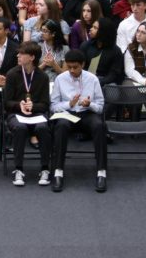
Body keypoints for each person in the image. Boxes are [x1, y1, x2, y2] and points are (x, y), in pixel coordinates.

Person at [48, 49, 107, 192]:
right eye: (69, 67)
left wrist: (89, 104)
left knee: (100, 126)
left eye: (75, 67)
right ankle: (58, 171)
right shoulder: (60, 79)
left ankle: (101, 172)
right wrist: (69, 104)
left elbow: (100, 106)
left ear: (83, 65)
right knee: (61, 127)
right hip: (68, 113)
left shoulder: (92, 79)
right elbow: (53, 106)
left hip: (87, 113)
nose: (72, 70)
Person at [3, 43, 51, 187]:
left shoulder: (43, 77)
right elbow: (7, 103)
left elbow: (45, 104)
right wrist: (20, 105)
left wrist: (33, 106)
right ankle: (18, 169)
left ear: (31, 57)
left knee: (43, 128)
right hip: (16, 114)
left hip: (37, 115)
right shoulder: (12, 74)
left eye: (21, 54)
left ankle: (45, 168)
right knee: (20, 128)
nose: (18, 55)